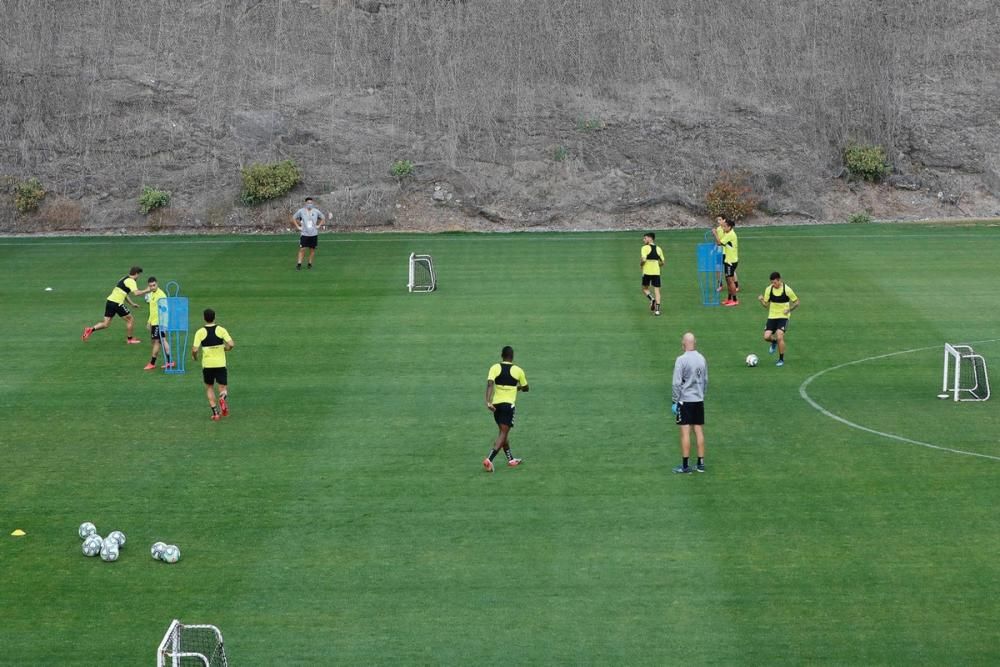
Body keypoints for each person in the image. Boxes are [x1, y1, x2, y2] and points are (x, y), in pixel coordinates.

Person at [483, 345, 529, 472]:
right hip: (508, 406)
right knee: (503, 433)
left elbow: (490, 384)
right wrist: (518, 388)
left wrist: (488, 401)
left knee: (503, 433)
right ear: (512, 357)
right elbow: (526, 388)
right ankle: (489, 460)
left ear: (502, 356)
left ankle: (511, 459)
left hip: (496, 406)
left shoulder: (494, 367)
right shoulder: (518, 370)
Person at [82, 266, 152, 344]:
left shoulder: (123, 278)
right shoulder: (131, 281)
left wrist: (132, 304)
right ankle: (130, 339)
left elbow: (124, 293)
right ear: (136, 274)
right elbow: (136, 293)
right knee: (130, 320)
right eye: (138, 275)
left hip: (110, 301)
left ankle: (90, 329)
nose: (138, 276)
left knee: (106, 324)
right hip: (117, 303)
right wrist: (147, 290)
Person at [671, 332, 708, 474]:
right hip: (698, 399)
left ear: (684, 343)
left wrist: (675, 400)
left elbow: (676, 383)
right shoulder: (702, 358)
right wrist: (701, 395)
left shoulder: (681, 359)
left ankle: (685, 466)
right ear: (695, 342)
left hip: (685, 400)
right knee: (698, 430)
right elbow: (705, 380)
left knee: (685, 432)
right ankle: (700, 463)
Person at [192, 308, 235, 421]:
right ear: (214, 317)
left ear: (204, 318)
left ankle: (215, 413)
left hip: (207, 365)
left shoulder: (200, 332)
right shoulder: (221, 330)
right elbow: (231, 344)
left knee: (209, 387)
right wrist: (226, 348)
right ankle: (222, 397)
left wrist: (195, 357)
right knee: (223, 387)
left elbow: (195, 349)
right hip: (220, 364)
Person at [758, 271, 800, 367]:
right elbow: (766, 305)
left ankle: (781, 359)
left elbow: (797, 302)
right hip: (772, 316)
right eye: (772, 283)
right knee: (766, 337)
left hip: (783, 317)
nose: (773, 284)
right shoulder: (769, 289)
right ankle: (774, 342)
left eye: (775, 282)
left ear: (779, 280)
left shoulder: (787, 289)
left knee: (780, 335)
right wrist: (761, 300)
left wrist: (789, 309)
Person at [143, 276, 173, 370]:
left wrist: (162, 324)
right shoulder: (152, 294)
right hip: (155, 322)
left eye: (154, 285)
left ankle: (152, 363)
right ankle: (170, 362)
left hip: (159, 322)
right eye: (150, 286)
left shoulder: (161, 295)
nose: (152, 287)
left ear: (157, 284)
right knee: (161, 340)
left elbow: (164, 310)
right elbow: (152, 310)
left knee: (158, 341)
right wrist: (149, 322)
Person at [292, 197, 326, 270]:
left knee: (312, 250)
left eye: (311, 203)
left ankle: (310, 263)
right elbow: (293, 218)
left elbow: (323, 218)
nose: (309, 204)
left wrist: (319, 225)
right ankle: (299, 264)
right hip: (304, 234)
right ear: (305, 203)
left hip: (313, 234)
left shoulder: (316, 211)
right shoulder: (301, 211)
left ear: (312, 203)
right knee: (302, 249)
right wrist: (298, 226)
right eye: (308, 203)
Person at [714, 216, 740, 306]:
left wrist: (715, 234)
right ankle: (729, 299)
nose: (723, 228)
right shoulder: (728, 233)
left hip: (730, 261)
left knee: (730, 281)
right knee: (728, 280)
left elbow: (719, 243)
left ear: (729, 227)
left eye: (725, 226)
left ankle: (735, 300)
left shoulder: (730, 235)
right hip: (729, 260)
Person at [640, 233, 665, 316]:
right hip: (656, 273)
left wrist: (641, 264)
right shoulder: (659, 249)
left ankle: (651, 299)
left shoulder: (644, 248)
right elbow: (663, 262)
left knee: (644, 288)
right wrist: (657, 265)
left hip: (647, 272)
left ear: (650, 239)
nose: (643, 240)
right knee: (657, 291)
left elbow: (643, 260)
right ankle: (657, 311)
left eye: (645, 238)